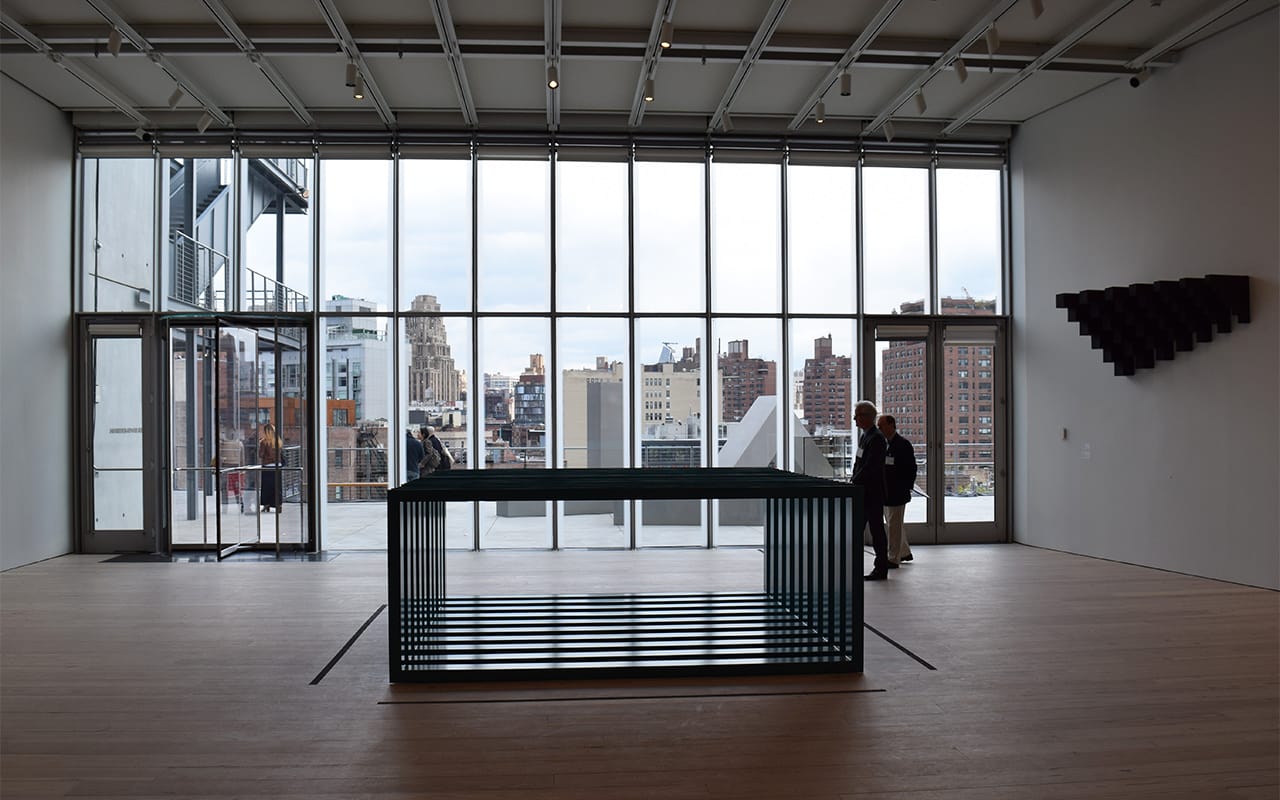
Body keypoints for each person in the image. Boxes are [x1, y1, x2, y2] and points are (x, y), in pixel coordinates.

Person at [851, 400, 890, 581]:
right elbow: (859, 462)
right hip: (863, 491)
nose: (854, 419)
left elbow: (870, 467)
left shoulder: (876, 438)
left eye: (857, 415)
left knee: (876, 531)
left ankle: (881, 568)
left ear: (867, 417)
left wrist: (855, 481)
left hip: (872, 493)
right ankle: (855, 565)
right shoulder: (865, 436)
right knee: (859, 529)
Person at [877, 414, 918, 567]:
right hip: (886, 491)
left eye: (881, 425)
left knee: (893, 526)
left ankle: (893, 558)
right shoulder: (884, 444)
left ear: (891, 425)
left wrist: (906, 487)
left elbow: (911, 469)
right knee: (893, 524)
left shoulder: (902, 444)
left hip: (897, 492)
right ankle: (904, 552)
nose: (879, 428)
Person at [257, 422, 282, 512]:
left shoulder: (264, 442)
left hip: (267, 467)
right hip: (277, 466)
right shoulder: (278, 441)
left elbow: (261, 455)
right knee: (276, 487)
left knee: (266, 487)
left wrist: (260, 444)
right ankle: (278, 505)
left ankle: (266, 504)